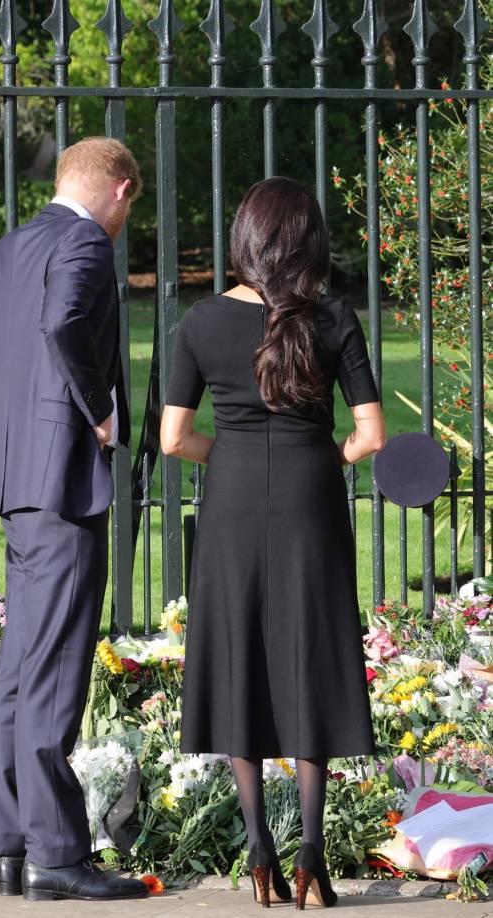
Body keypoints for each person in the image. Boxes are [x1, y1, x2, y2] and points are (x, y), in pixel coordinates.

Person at [160, 176, 386, 910]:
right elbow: (371, 435)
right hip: (311, 503)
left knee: (238, 657)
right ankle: (312, 859)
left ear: (245, 239)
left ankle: (258, 848)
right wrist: (325, 458)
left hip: (228, 507)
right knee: (310, 655)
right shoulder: (334, 319)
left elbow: (173, 439)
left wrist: (225, 456)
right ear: (308, 241)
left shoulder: (199, 322)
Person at [0, 137, 149, 903]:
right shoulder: (86, 243)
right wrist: (93, 412)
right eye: (133, 206)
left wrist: (27, 413)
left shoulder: (10, 248)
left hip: (22, 484)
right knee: (55, 669)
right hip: (63, 487)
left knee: (21, 669)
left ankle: (12, 848)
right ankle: (58, 854)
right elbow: (64, 325)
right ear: (120, 190)